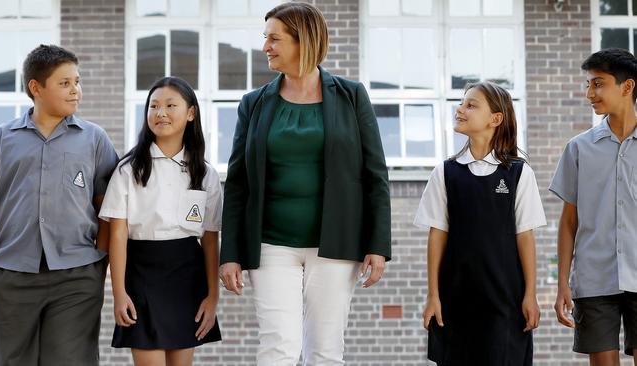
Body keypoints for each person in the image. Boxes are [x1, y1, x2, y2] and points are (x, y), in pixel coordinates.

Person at [219, 2, 391, 365]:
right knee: (278, 345)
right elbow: (237, 184)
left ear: (304, 41)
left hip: (336, 242)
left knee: (325, 350)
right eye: (265, 37)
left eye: (275, 38)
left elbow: (375, 175)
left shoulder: (352, 96)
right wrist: (230, 252)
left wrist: (377, 244)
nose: (266, 46)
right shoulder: (253, 104)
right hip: (269, 243)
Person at [0, 44, 118, 365]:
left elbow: (110, 211)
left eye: (78, 81)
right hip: (11, 275)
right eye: (65, 83)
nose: (76, 91)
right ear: (36, 88)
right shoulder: (1, 139)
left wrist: (97, 263)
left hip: (76, 277)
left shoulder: (95, 139)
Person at [416, 81, 545, 365]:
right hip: (454, 300)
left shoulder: (518, 174)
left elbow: (525, 237)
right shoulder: (445, 173)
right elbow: (437, 236)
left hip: (506, 301)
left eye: (471, 105)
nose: (460, 109)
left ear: (495, 119)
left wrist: (530, 295)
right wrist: (433, 295)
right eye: (462, 103)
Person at [99, 76, 222, 365]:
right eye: (153, 106)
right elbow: (117, 235)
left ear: (191, 113)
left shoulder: (205, 173)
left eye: (170, 105)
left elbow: (210, 238)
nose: (160, 113)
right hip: (141, 275)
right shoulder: (128, 170)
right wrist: (119, 293)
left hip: (187, 277)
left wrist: (212, 297)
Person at [551, 48, 637, 366]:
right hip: (594, 279)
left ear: (627, 86)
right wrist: (563, 282)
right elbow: (569, 222)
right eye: (588, 84)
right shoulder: (578, 148)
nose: (590, 93)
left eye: (598, 83)